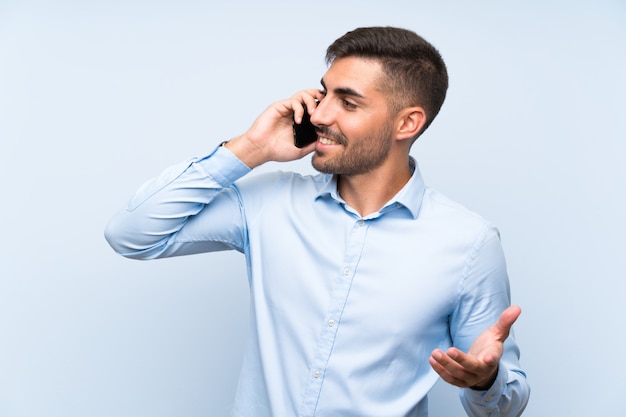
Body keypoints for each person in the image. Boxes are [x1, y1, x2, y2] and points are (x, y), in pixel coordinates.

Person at [105, 26, 530, 417]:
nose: (321, 115)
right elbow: (132, 234)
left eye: (347, 102)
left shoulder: (468, 242)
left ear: (408, 122)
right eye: (323, 94)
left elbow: (504, 405)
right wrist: (251, 147)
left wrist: (486, 382)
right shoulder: (269, 202)